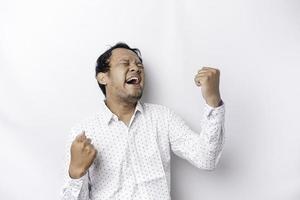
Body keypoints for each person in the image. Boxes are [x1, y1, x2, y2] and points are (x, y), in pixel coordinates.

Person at [61, 42, 225, 200]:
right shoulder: (84, 133)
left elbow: (206, 159)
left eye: (140, 66)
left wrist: (213, 101)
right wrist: (75, 172)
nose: (136, 69)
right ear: (103, 77)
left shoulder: (162, 118)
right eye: (125, 63)